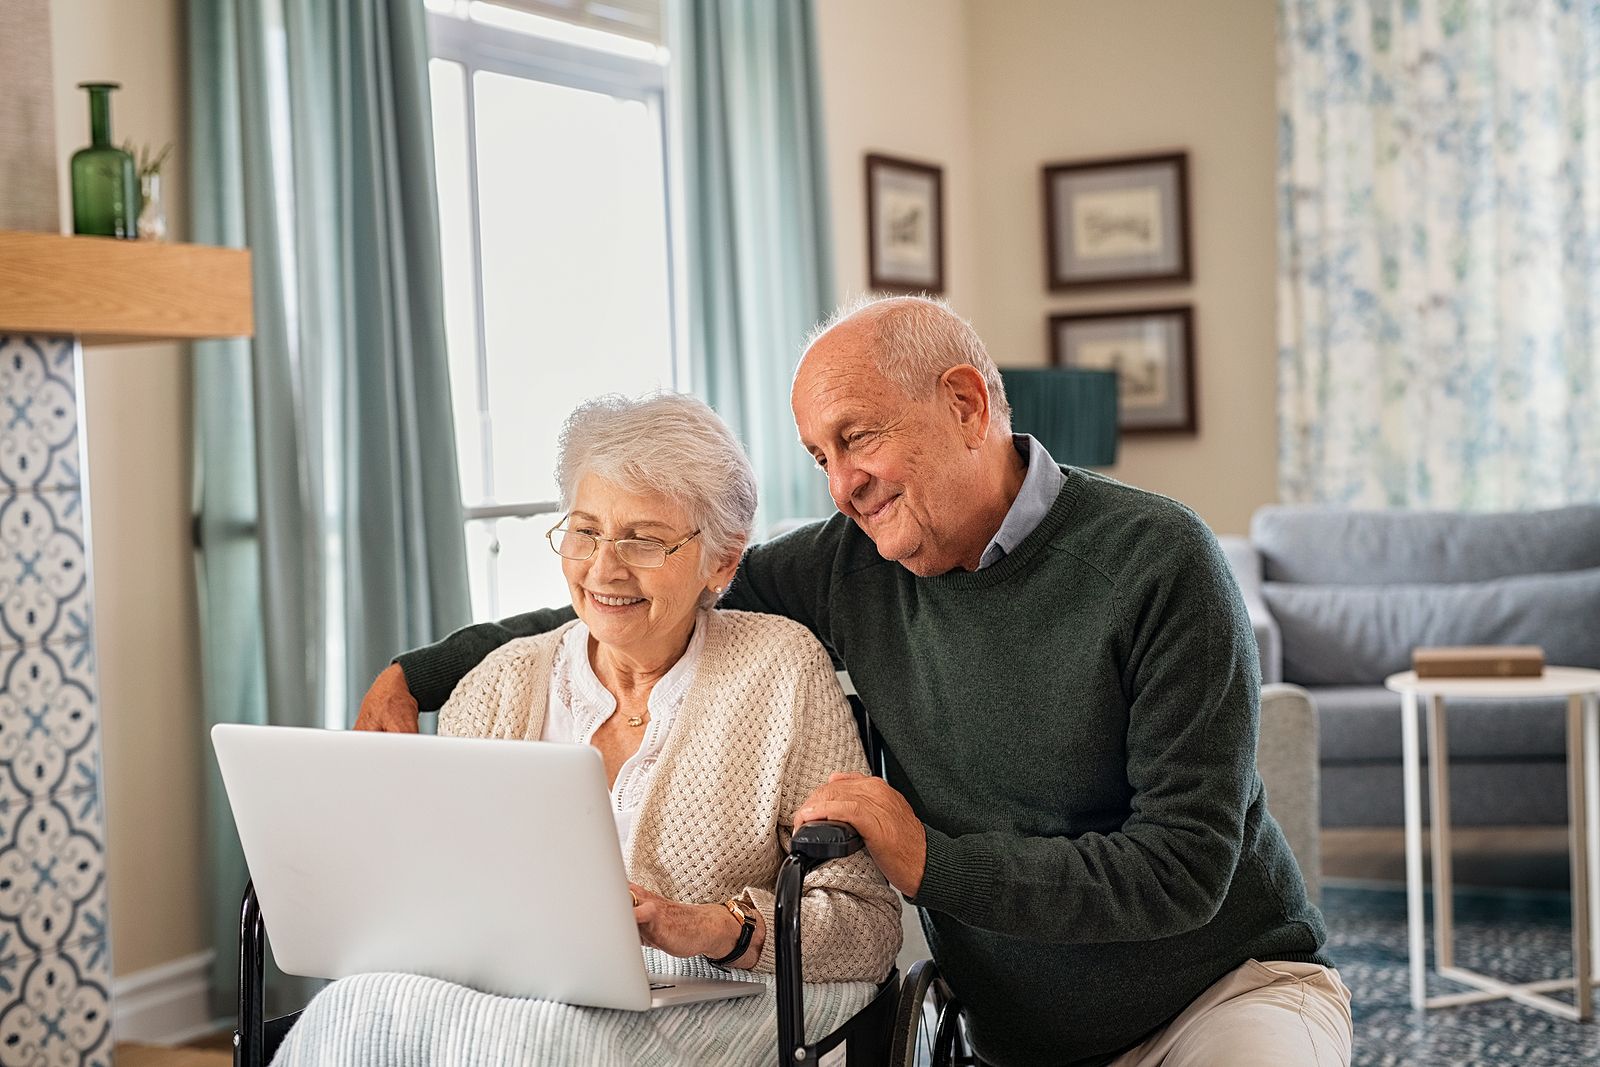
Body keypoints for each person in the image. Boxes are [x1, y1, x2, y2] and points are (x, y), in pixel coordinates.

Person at [359, 297, 1353, 1067]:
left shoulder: (1157, 559)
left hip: (1224, 994)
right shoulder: (853, 560)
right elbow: (641, 590)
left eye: (858, 436)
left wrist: (931, 860)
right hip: (1016, 1041)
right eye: (819, 456)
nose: (839, 484)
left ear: (964, 405)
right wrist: (428, 669)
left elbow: (1180, 871)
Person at [279, 393, 900, 1067]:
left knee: (539, 1047)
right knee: (344, 1010)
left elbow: (867, 923)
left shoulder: (779, 669)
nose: (605, 568)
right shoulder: (500, 682)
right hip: (508, 989)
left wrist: (710, 926)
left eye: (643, 538)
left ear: (721, 563)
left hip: (724, 985)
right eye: (585, 531)